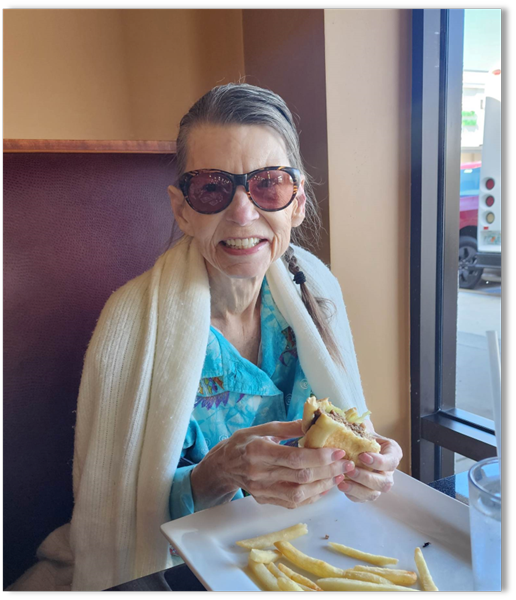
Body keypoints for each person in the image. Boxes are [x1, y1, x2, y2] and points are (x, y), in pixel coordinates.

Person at [7, 83, 402, 592]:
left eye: (269, 184)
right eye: (213, 188)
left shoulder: (317, 290)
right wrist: (219, 472)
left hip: (309, 553)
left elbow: (351, 426)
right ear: (182, 209)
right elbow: (118, 520)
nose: (242, 213)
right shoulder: (129, 325)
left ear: (297, 203)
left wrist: (368, 464)